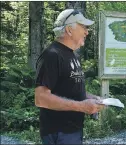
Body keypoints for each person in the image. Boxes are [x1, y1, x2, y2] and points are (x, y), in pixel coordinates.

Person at [35, 9, 105, 144]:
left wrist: (92, 98)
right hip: (59, 132)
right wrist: (82, 107)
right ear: (69, 30)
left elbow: (69, 89)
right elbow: (41, 98)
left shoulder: (71, 55)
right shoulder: (51, 55)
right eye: (83, 27)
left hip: (72, 131)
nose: (87, 32)